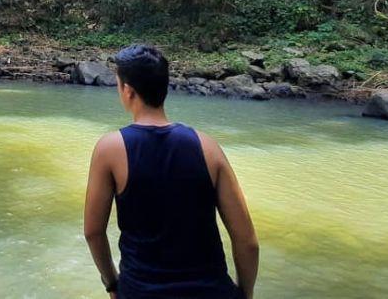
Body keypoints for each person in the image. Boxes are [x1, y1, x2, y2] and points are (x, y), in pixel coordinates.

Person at [84, 44, 259, 298]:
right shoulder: (208, 147)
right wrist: (245, 293)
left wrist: (112, 284)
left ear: (128, 91)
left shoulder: (110, 149)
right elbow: (247, 242)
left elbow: (93, 232)